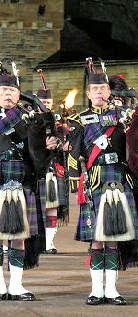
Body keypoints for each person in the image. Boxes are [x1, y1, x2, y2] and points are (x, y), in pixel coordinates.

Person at [67, 63, 138, 305]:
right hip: (96, 182)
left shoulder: (124, 117)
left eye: (103, 88)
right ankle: (96, 290)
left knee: (114, 237)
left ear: (109, 91)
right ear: (88, 94)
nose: (98, 92)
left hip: (118, 178)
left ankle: (112, 290)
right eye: (94, 89)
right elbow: (74, 153)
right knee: (97, 238)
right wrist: (75, 180)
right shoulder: (80, 121)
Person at [0, 63, 57, 300]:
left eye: (12, 91)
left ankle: (16, 285)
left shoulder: (29, 116)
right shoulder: (20, 116)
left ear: (18, 93)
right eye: (3, 90)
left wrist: (49, 147)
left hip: (22, 180)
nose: (8, 94)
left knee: (19, 237)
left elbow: (39, 154)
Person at [36, 86, 70, 254]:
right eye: (43, 102)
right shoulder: (29, 121)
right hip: (35, 171)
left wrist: (63, 145)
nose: (46, 105)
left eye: (48, 102)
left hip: (53, 171)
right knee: (33, 208)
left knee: (52, 208)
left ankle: (49, 242)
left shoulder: (60, 126)